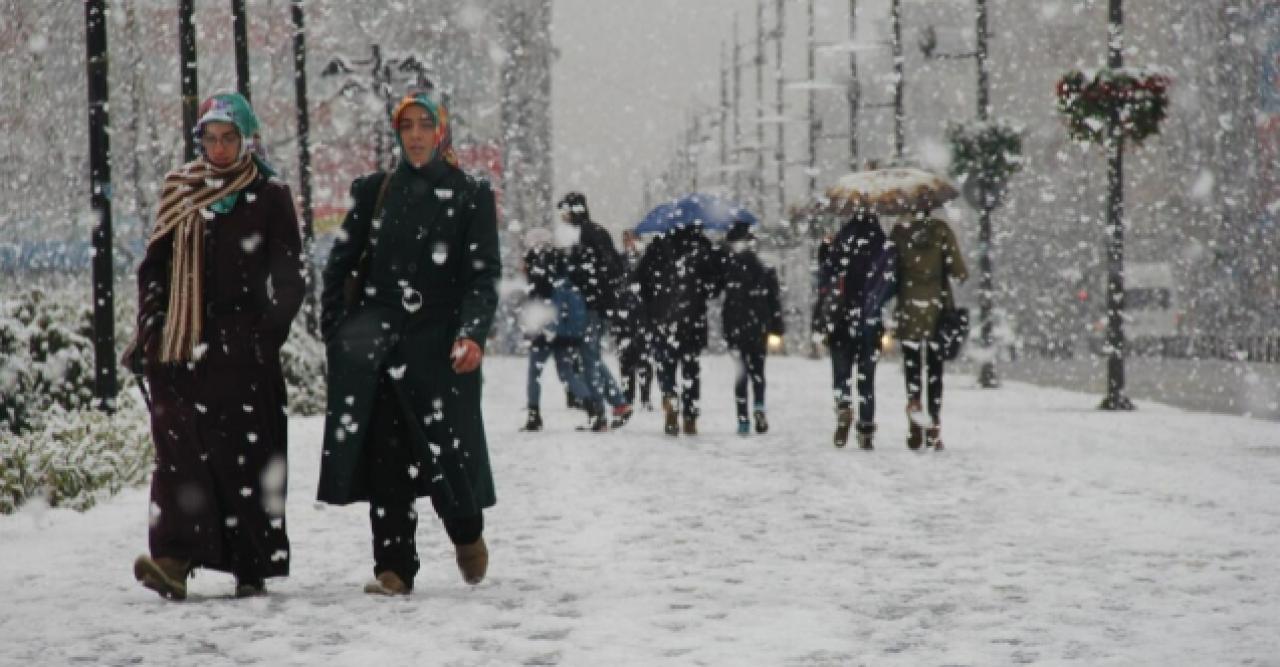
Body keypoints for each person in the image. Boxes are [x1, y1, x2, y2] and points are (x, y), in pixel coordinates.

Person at [318, 89, 500, 595]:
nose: (416, 135)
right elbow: (339, 266)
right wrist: (338, 334)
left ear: (441, 129)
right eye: (407, 126)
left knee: (448, 453)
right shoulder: (374, 189)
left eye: (425, 124)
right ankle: (394, 567)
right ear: (397, 133)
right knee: (386, 459)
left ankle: (466, 532)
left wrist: (471, 334)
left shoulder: (470, 192)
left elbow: (483, 276)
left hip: (441, 347)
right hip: (378, 348)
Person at [129, 91, 304, 600]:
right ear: (200, 138)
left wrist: (265, 336)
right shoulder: (181, 190)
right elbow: (155, 267)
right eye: (212, 137)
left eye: (230, 137)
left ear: (246, 139)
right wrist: (153, 323)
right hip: (180, 347)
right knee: (179, 454)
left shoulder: (269, 194)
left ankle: (250, 564)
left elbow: (290, 278)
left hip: (241, 348)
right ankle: (174, 559)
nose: (221, 147)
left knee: (243, 457)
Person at [635, 221, 724, 436]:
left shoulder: (657, 247)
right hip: (692, 318)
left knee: (666, 364)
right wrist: (700, 292)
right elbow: (715, 285)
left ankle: (670, 400)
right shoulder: (702, 247)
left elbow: (640, 281)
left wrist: (652, 306)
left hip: (663, 317)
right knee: (691, 368)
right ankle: (691, 415)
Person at [890, 205, 968, 450]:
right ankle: (934, 424)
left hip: (909, 308)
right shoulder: (941, 231)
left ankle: (914, 412)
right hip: (937, 309)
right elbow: (959, 271)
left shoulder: (899, 232)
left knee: (912, 365)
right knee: (935, 371)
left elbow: (890, 272)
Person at [820, 209, 897, 449]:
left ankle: (843, 405)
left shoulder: (843, 238)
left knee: (841, 373)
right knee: (866, 380)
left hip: (842, 318)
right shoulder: (882, 243)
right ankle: (865, 429)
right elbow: (890, 282)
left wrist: (826, 249)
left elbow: (826, 275)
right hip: (869, 320)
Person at [558, 192, 632, 430]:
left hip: (589, 305)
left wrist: (579, 286)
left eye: (565, 212)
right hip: (601, 304)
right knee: (592, 357)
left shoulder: (582, 236)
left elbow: (584, 271)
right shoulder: (598, 231)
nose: (563, 217)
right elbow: (615, 268)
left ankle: (599, 412)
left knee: (589, 358)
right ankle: (618, 404)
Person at [520, 228, 596, 431]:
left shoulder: (537, 263)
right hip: (563, 329)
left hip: (545, 327)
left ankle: (534, 415)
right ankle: (593, 409)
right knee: (568, 373)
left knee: (534, 373)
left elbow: (538, 299)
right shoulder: (560, 260)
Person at [720, 221, 783, 435]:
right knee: (758, 370)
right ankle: (758, 405)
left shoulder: (729, 267)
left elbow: (720, 295)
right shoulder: (763, 267)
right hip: (759, 325)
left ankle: (743, 419)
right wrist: (776, 326)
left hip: (736, 326)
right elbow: (773, 299)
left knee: (741, 374)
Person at [614, 230, 654, 411]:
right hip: (624, 315)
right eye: (626, 240)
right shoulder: (619, 261)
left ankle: (645, 396)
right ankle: (628, 396)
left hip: (643, 315)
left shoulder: (646, 261)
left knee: (644, 358)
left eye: (632, 240)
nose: (629, 243)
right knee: (626, 359)